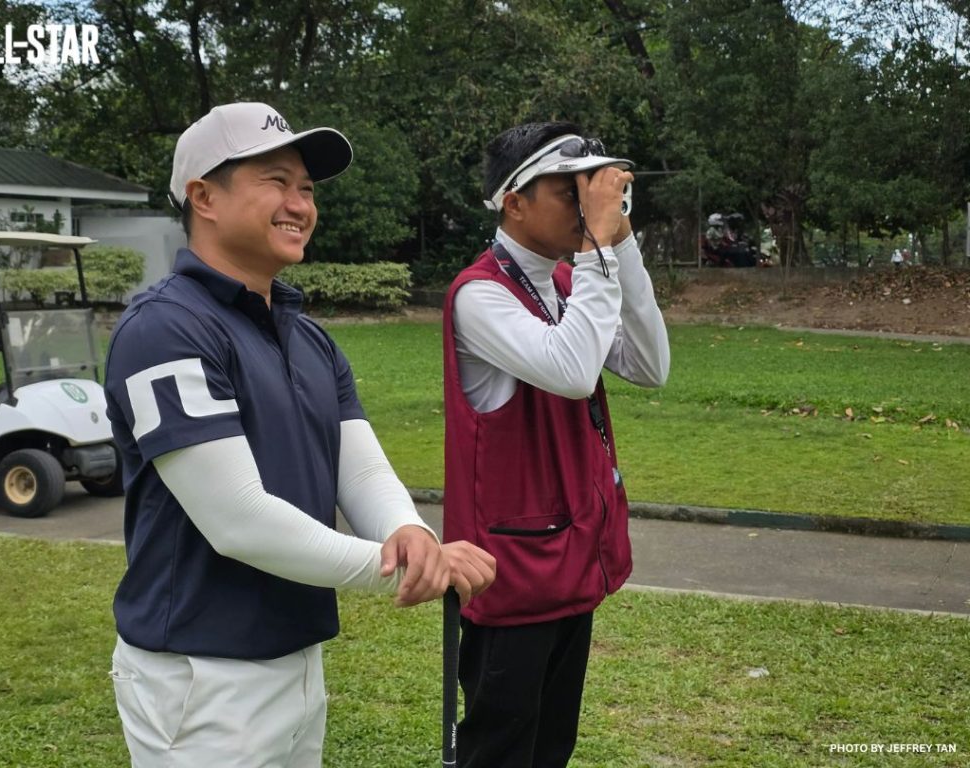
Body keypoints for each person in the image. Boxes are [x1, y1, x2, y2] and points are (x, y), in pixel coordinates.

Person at [103, 102, 495, 767]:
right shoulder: (165, 328)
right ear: (204, 196)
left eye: (307, 188)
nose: (299, 204)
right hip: (199, 676)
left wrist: (409, 533)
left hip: (295, 658)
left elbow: (363, 474)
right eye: (276, 181)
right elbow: (237, 520)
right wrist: (401, 569)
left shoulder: (306, 335)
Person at [442, 122, 670, 767]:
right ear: (514, 200)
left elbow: (651, 365)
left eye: (591, 190)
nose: (586, 205)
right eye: (570, 191)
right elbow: (572, 372)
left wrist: (620, 248)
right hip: (511, 577)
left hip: (568, 561)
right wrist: (599, 254)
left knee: (550, 750)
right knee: (502, 751)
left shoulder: (571, 283)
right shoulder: (479, 294)